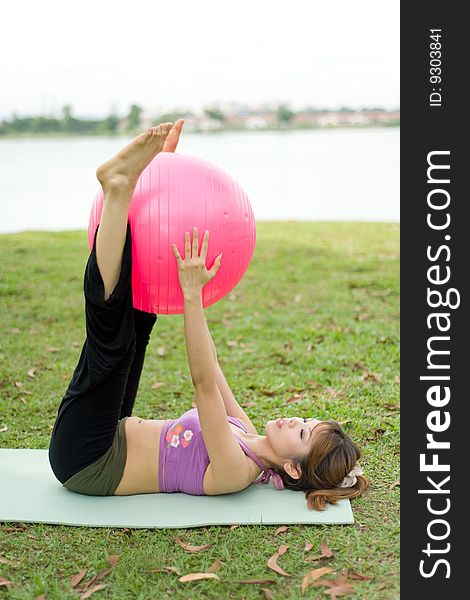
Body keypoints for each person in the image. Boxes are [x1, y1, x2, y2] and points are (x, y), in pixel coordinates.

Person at [48, 120, 369, 511]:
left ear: (293, 469)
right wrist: (167, 178)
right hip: (109, 431)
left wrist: (192, 295)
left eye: (301, 432)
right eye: (305, 419)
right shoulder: (246, 432)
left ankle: (117, 187)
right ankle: (138, 183)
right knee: (139, 318)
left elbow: (202, 386)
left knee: (111, 346)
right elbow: (213, 368)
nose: (293, 419)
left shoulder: (236, 471)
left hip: (88, 460)